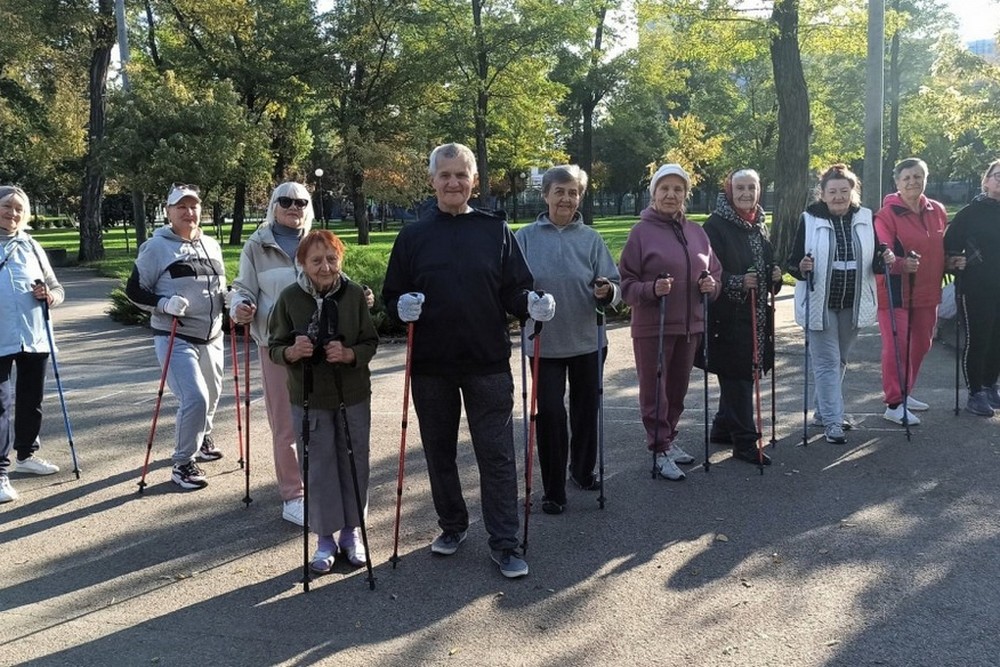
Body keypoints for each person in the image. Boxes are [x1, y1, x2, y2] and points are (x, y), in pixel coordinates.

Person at [382, 142, 553, 579]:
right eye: (445, 175)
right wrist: (401, 307)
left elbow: (516, 289)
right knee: (439, 451)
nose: (453, 182)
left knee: (495, 455)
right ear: (432, 181)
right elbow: (391, 295)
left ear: (474, 181)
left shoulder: (496, 231)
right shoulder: (413, 235)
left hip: (487, 362)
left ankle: (505, 542)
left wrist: (531, 304)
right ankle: (452, 525)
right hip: (431, 365)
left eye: (461, 175)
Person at [268, 230, 378, 572]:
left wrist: (349, 354)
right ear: (302, 263)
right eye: (316, 260)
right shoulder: (289, 298)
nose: (325, 266)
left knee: (353, 461)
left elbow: (370, 342)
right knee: (318, 468)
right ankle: (325, 537)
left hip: (353, 395)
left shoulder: (355, 294)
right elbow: (274, 346)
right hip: (309, 398)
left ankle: (351, 532)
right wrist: (290, 351)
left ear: (340, 260)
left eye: (331, 258)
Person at [513, 165, 621, 515]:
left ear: (580, 198)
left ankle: (582, 471)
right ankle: (554, 488)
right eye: (559, 191)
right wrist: (523, 300)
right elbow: (511, 286)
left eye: (573, 192)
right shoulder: (525, 237)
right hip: (544, 342)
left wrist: (607, 291)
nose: (566, 198)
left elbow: (614, 286)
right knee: (551, 415)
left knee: (587, 409)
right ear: (545, 195)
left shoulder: (591, 238)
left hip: (588, 340)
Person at [618, 164, 720, 481]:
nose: (671, 195)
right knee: (655, 390)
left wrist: (710, 286)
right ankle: (659, 447)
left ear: (685, 195)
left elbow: (715, 271)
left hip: (690, 326)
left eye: (678, 189)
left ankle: (669, 438)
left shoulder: (697, 232)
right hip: (653, 326)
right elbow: (626, 286)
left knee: (677, 390)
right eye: (665, 189)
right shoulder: (640, 233)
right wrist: (651, 289)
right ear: (654, 194)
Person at [126, 184, 227, 491]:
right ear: (168, 212)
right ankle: (183, 463)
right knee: (195, 398)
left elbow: (217, 288)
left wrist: (232, 299)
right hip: (175, 335)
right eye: (181, 207)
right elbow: (134, 290)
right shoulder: (156, 247)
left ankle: (203, 436)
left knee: (213, 394)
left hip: (213, 335)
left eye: (193, 206)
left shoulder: (211, 244)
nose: (188, 212)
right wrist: (162, 304)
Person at [786, 164, 891, 444]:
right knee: (826, 362)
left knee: (840, 360)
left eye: (844, 191)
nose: (839, 197)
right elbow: (793, 264)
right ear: (822, 193)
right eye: (832, 192)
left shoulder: (866, 218)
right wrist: (802, 266)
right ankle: (834, 421)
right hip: (820, 303)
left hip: (852, 303)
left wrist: (885, 258)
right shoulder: (809, 219)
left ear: (852, 192)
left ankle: (823, 412)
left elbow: (876, 260)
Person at [701, 169, 781, 461]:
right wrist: (736, 281)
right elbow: (708, 272)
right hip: (728, 315)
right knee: (738, 375)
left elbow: (766, 263)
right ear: (729, 190)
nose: (746, 193)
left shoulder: (759, 223)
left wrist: (774, 275)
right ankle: (746, 442)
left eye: (752, 187)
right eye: (740, 188)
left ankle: (723, 426)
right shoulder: (715, 226)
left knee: (741, 372)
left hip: (756, 313)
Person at [0, 186, 66, 503]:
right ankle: (0, 472)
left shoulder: (31, 246)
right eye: (6, 206)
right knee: (0, 406)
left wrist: (49, 297)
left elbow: (57, 289)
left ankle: (26, 456)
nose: (12, 213)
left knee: (31, 400)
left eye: (18, 208)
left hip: (33, 336)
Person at [875, 158, 948, 426]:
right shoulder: (886, 214)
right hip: (896, 291)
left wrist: (952, 262)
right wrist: (901, 263)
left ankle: (906, 392)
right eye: (906, 178)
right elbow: (883, 251)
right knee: (897, 346)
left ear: (925, 179)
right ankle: (894, 403)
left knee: (921, 344)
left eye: (918, 176)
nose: (912, 182)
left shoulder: (937, 210)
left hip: (928, 290)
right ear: (897, 183)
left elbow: (941, 246)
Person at [944, 159, 1000, 417]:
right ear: (986, 180)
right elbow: (950, 245)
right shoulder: (970, 212)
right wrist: (956, 260)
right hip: (976, 285)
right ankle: (975, 392)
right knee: (979, 339)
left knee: (997, 339)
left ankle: (990, 386)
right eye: (997, 175)